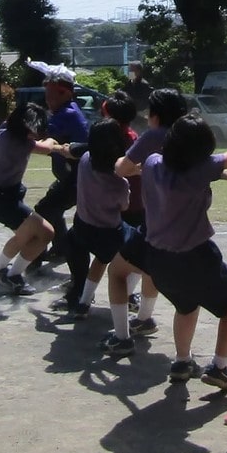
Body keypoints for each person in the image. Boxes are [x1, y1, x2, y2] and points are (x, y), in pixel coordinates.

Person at [118, 111, 227, 385]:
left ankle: (182, 361)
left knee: (186, 306)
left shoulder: (152, 163)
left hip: (158, 259)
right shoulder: (200, 170)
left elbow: (151, 157)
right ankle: (219, 368)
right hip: (196, 257)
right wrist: (206, 160)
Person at [103, 88, 186, 356]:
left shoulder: (154, 136)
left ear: (157, 115)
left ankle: (121, 337)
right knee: (150, 269)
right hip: (186, 223)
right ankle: (144, 318)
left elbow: (122, 168)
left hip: (155, 223)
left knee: (117, 271)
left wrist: (130, 164)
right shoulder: (190, 134)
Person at [0, 103, 73, 297]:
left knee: (24, 236)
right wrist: (54, 140)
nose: (36, 133)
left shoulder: (3, 131)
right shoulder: (21, 144)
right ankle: (13, 275)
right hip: (3, 200)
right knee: (46, 233)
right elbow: (47, 147)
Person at [56, 117, 131, 320]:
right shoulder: (120, 183)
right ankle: (130, 297)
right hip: (108, 232)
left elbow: (75, 150)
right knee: (136, 248)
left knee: (97, 259)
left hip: (82, 226)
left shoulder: (85, 159)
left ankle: (82, 302)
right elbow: (124, 206)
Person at [30, 64, 89, 262]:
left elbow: (39, 135)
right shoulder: (63, 112)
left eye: (52, 95)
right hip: (70, 177)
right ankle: (62, 247)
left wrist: (12, 136)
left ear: (65, 93)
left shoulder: (68, 114)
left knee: (44, 210)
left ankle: (37, 256)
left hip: (78, 178)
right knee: (52, 209)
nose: (48, 99)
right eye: (47, 94)